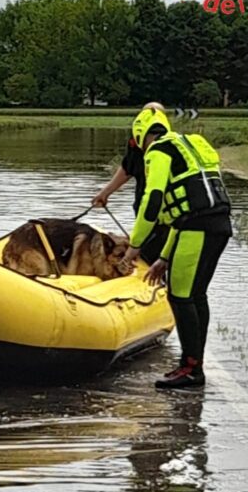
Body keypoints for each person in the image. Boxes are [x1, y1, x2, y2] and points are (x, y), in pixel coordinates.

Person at [123, 106, 232, 389]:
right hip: (218, 226)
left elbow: (154, 199)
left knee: (181, 298)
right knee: (196, 295)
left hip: (196, 229)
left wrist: (135, 245)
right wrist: (163, 257)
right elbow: (180, 217)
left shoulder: (158, 151)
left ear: (140, 134)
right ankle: (194, 363)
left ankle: (191, 369)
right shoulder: (191, 144)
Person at [91, 101, 167, 263]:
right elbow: (128, 168)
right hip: (144, 206)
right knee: (147, 253)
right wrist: (104, 193)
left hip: (164, 211)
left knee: (154, 254)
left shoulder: (167, 145)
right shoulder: (136, 142)